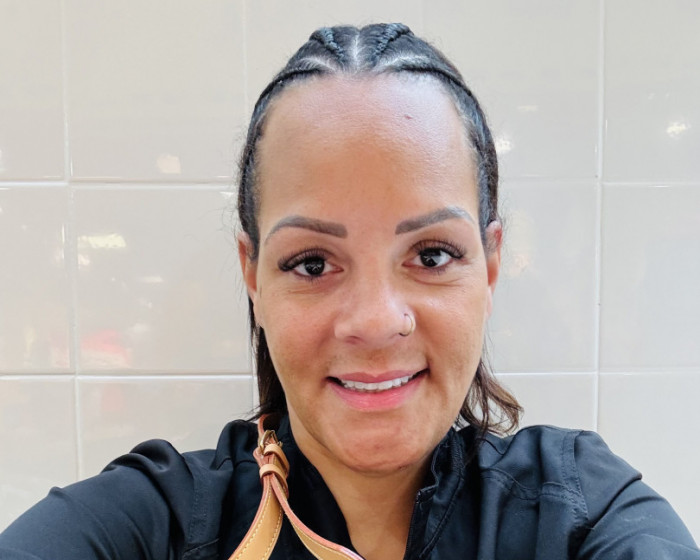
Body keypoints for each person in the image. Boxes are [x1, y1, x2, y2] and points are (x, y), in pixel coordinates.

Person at [0, 23, 698, 560]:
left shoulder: (581, 515)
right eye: (312, 264)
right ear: (252, 275)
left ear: (489, 266)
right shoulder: (153, 523)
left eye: (431, 254)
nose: (375, 320)